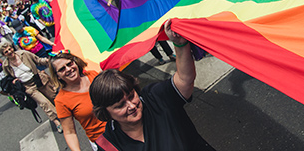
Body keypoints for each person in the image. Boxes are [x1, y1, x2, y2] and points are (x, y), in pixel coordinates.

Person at [89, 19, 215, 151]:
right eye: (120, 105)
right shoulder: (108, 145)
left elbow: (184, 80)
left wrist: (180, 44)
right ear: (105, 113)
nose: (132, 106)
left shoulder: (156, 97)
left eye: (131, 96)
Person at [0, 41, 63, 133]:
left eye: (10, 49)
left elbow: (38, 60)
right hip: (28, 87)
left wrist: (50, 60)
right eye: (6, 52)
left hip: (39, 80)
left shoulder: (24, 54)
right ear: (4, 55)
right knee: (44, 103)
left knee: (53, 97)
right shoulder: (6, 65)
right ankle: (57, 122)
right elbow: (9, 78)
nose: (9, 52)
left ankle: (64, 111)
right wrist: (14, 81)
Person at [110, 0, 175, 64]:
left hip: (146, 17)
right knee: (147, 41)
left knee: (158, 36)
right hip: (136, 22)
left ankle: (170, 54)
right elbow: (123, 12)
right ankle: (159, 58)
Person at [49, 51, 106, 151]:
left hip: (124, 127)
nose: (68, 69)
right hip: (104, 141)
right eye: (62, 69)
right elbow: (69, 132)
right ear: (57, 76)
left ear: (75, 62)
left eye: (69, 64)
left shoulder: (93, 75)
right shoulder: (61, 101)